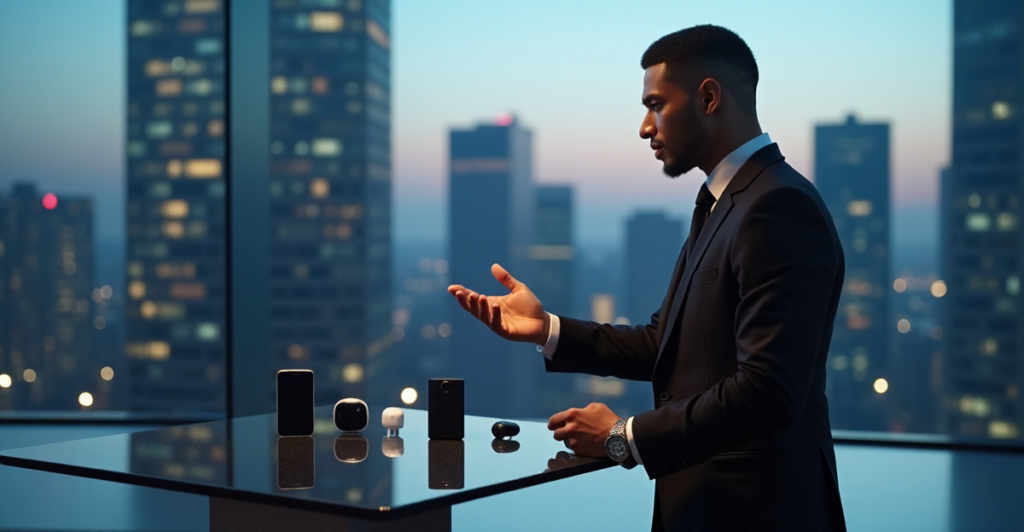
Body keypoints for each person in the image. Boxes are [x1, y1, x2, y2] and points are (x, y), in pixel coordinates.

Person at [447, 24, 846, 532]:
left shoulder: (777, 206)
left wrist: (623, 436)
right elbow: (668, 342)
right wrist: (546, 329)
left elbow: (769, 389)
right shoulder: (726, 203)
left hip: (757, 513)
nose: (644, 127)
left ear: (708, 97)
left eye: (655, 104)